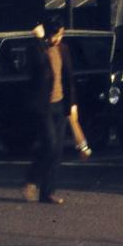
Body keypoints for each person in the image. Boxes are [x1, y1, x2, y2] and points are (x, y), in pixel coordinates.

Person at [23, 14, 79, 205]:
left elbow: (69, 77)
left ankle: (48, 192)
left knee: (57, 150)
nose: (60, 38)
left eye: (62, 34)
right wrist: (38, 41)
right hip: (43, 105)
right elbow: (38, 66)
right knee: (50, 143)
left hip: (60, 103)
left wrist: (72, 103)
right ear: (48, 33)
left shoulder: (63, 49)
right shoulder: (36, 49)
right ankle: (31, 180)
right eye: (58, 34)